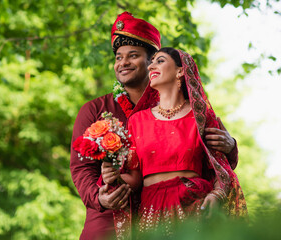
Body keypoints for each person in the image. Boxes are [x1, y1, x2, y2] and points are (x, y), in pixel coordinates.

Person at [70, 12, 239, 240]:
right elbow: (81, 168)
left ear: (153, 61)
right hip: (109, 217)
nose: (123, 63)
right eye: (118, 57)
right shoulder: (95, 109)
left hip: (183, 212)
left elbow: (218, 162)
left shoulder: (193, 111)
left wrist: (231, 146)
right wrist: (99, 197)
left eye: (132, 55)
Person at [102, 47, 247, 237]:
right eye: (151, 61)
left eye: (160, 60)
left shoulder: (200, 117)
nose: (151, 65)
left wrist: (216, 195)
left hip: (194, 206)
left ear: (180, 71)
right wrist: (114, 175)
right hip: (151, 212)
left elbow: (221, 169)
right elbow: (135, 179)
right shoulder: (137, 121)